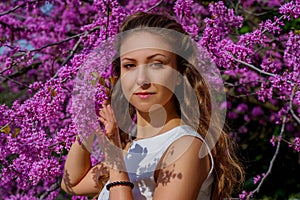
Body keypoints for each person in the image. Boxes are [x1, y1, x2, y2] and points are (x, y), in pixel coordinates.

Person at [61, 12, 244, 200]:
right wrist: (88, 122)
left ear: (179, 73)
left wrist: (115, 159)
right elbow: (72, 183)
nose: (141, 79)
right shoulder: (133, 148)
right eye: (130, 66)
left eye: (157, 64)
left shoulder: (185, 147)